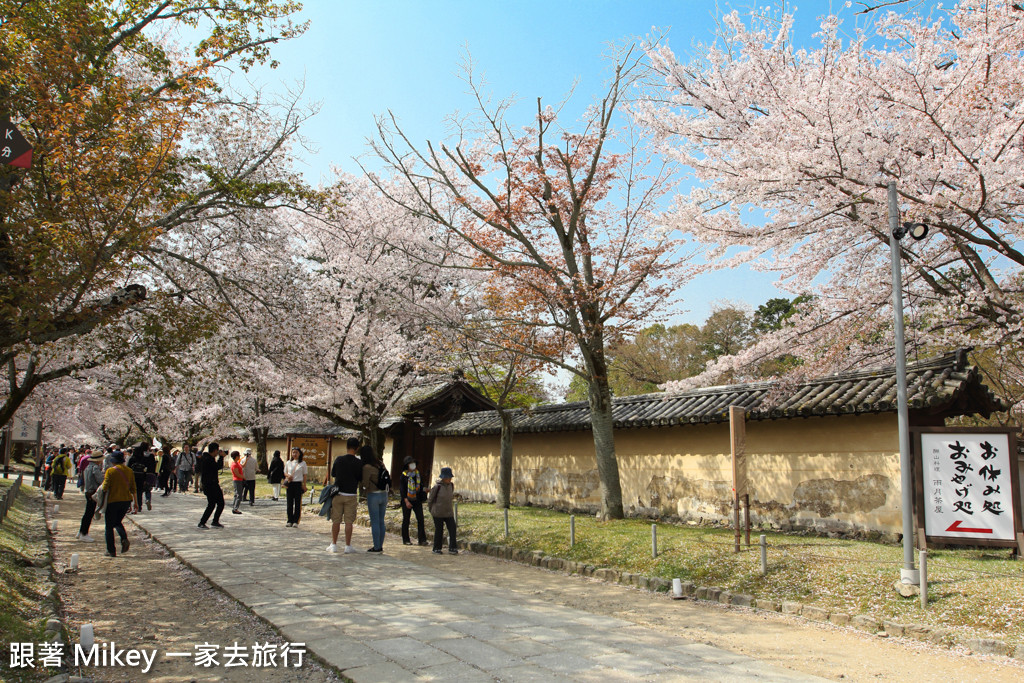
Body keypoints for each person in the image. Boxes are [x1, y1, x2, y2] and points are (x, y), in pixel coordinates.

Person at [325, 437, 362, 553]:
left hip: (338, 493)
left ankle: (334, 544)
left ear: (346, 447)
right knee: (349, 521)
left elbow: (333, 473)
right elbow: (360, 478)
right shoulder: (358, 462)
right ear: (357, 448)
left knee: (336, 520)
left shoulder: (339, 459)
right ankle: (347, 545)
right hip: (351, 494)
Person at [99, 450, 139, 557]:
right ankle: (124, 538)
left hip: (113, 500)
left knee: (109, 526)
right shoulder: (129, 471)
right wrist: (136, 503)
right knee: (117, 522)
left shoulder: (110, 471)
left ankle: (111, 550)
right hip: (126, 500)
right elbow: (133, 488)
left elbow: (105, 487)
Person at [360, 445, 389, 554]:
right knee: (381, 521)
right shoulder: (380, 464)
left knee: (375, 521)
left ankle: (376, 546)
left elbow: (365, 483)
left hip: (373, 495)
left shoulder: (367, 467)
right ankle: (380, 545)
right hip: (384, 494)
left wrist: (364, 486)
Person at [428, 467, 458, 555]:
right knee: (439, 530)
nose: (449, 479)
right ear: (443, 478)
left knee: (452, 529)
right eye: (448, 477)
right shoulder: (437, 487)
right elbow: (430, 500)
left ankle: (452, 547)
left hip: (448, 512)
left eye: (450, 477)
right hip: (438, 513)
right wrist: (431, 510)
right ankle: (436, 548)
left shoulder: (451, 486)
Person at [76, 451, 105, 542]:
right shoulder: (95, 468)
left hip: (88, 491)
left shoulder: (88, 467)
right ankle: (84, 533)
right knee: (89, 513)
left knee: (87, 513)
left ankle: (81, 531)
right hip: (93, 492)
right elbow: (100, 480)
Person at [399, 456, 428, 546]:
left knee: (420, 519)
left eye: (413, 463)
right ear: (407, 465)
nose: (413, 465)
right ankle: (406, 539)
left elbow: (420, 486)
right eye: (411, 463)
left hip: (417, 499)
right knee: (406, 520)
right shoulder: (403, 476)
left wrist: (425, 490)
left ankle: (422, 539)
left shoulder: (418, 474)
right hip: (407, 500)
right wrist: (406, 501)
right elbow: (402, 490)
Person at [196, 443, 226, 529]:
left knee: (215, 503)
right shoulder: (208, 459)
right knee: (215, 503)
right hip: (210, 484)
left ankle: (213, 521)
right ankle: (204, 522)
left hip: (210, 484)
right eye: (217, 450)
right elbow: (217, 467)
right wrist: (221, 457)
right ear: (215, 450)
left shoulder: (206, 458)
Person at [127, 444, 155, 512]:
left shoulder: (132, 458)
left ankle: (129, 506)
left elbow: (128, 467)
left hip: (133, 476)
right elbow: (145, 468)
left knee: (130, 492)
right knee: (139, 492)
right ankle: (139, 506)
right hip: (141, 476)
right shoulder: (143, 458)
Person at [283, 448, 307, 527]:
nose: (294, 454)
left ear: (299, 453)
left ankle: (296, 521)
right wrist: (288, 476)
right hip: (290, 484)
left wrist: (304, 485)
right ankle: (289, 520)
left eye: (296, 452)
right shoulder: (289, 462)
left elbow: (305, 475)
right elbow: (285, 472)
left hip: (298, 484)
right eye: (293, 452)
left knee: (297, 503)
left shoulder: (303, 463)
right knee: (289, 502)